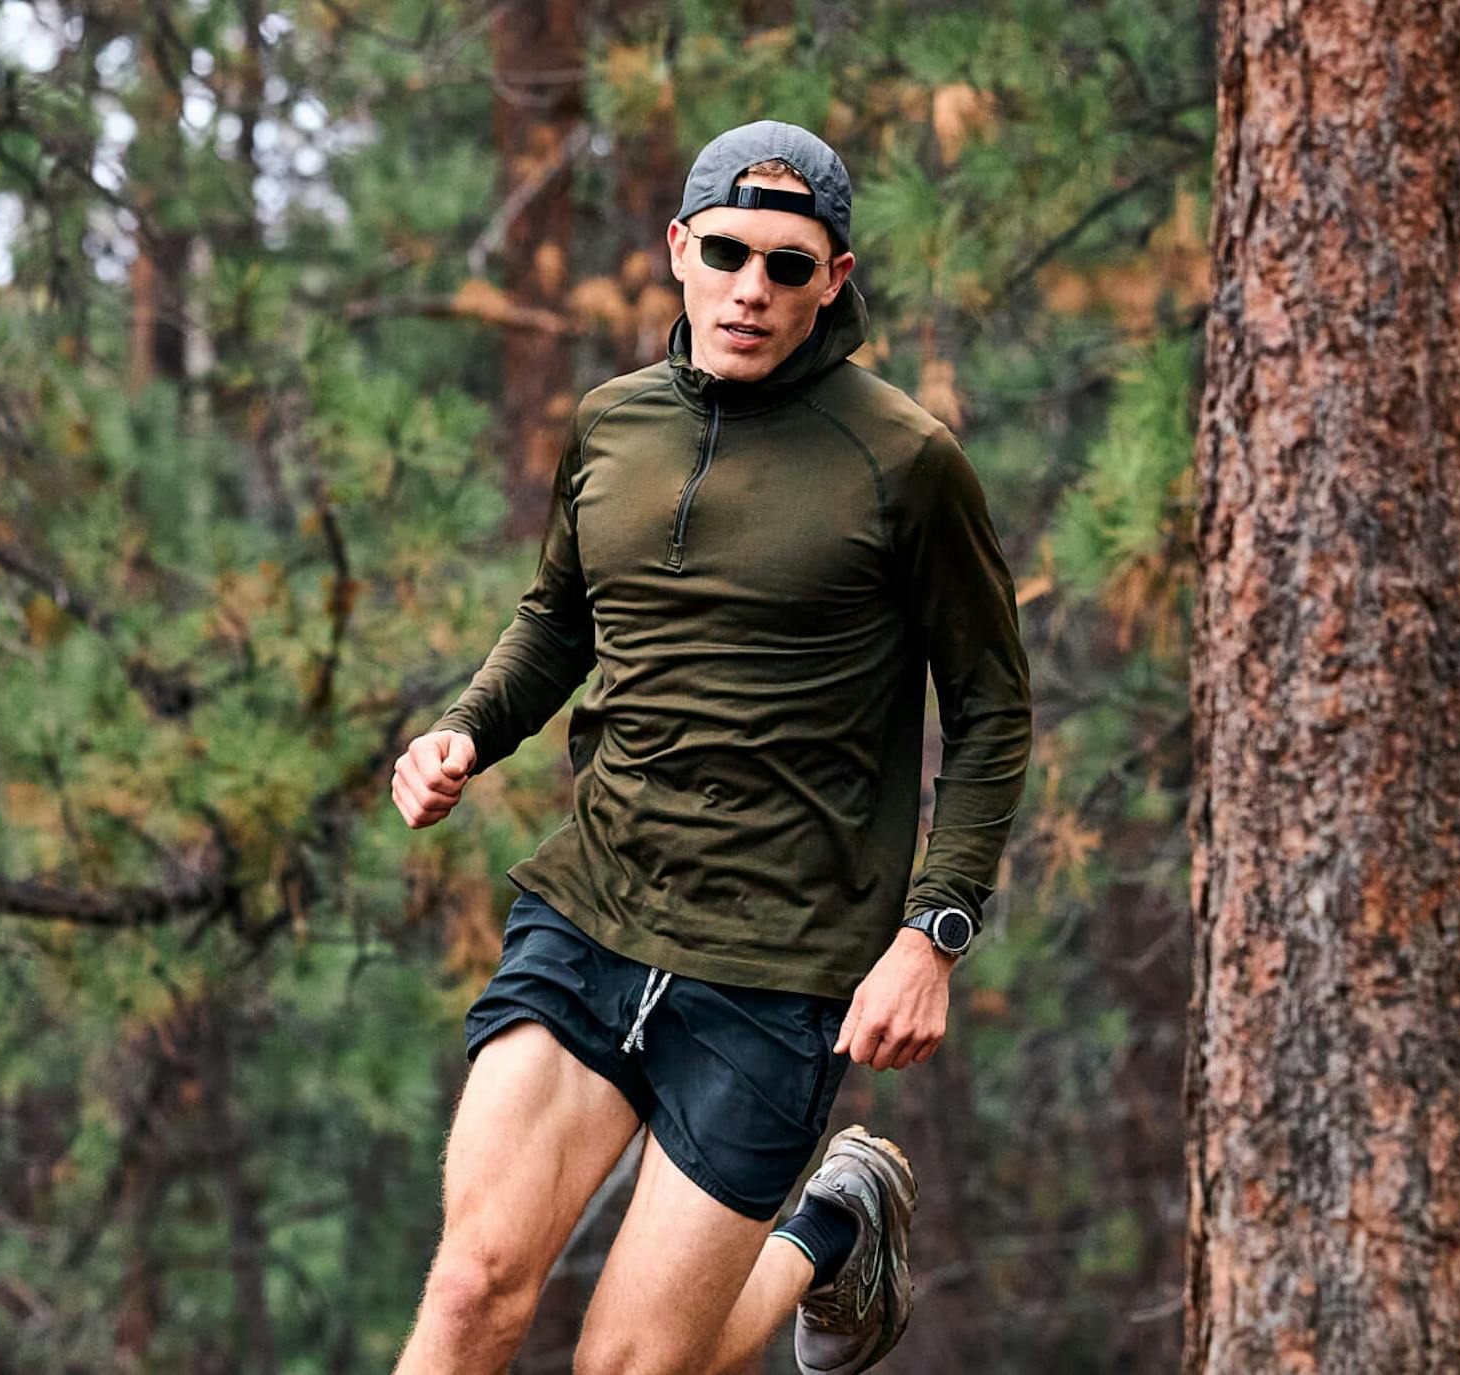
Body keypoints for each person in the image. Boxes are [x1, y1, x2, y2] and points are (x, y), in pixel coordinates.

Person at [386, 119, 1030, 1375]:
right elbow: (560, 619)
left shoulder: (906, 462)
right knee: (469, 1290)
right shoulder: (612, 425)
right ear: (679, 248)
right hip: (593, 910)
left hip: (777, 964)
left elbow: (992, 708)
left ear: (833, 280)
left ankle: (830, 1233)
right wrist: (465, 729)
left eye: (788, 266)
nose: (751, 289)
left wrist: (933, 933)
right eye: (727, 253)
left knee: (628, 1366)